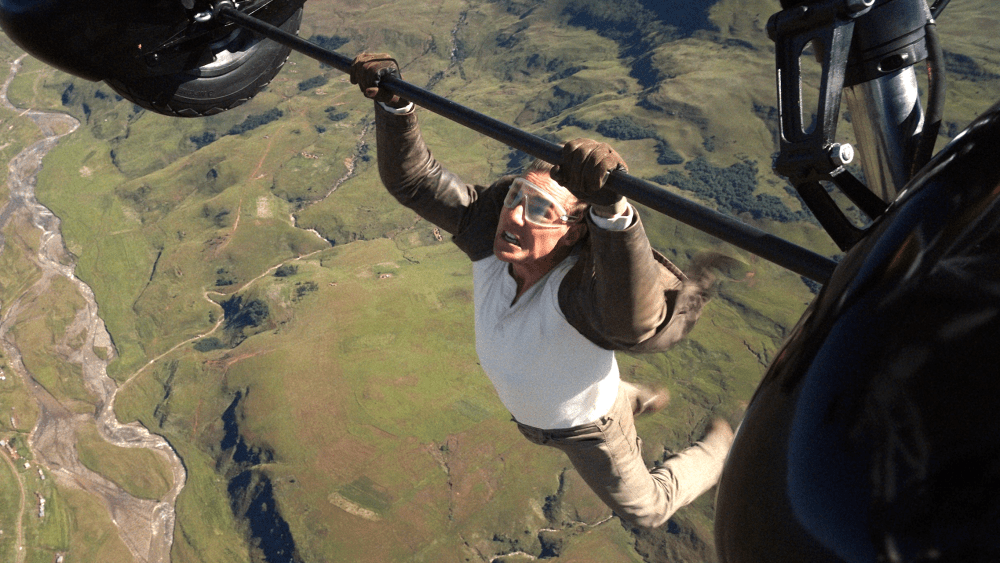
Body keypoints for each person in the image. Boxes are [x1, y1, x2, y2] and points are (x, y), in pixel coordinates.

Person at [350, 52, 735, 529]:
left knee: (648, 510)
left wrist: (612, 213)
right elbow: (416, 182)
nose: (513, 215)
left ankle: (721, 449)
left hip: (588, 429)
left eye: (538, 210)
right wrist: (394, 105)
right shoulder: (489, 244)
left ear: (573, 234)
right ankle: (635, 397)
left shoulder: (577, 294)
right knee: (604, 392)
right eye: (515, 196)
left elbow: (633, 320)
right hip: (543, 412)